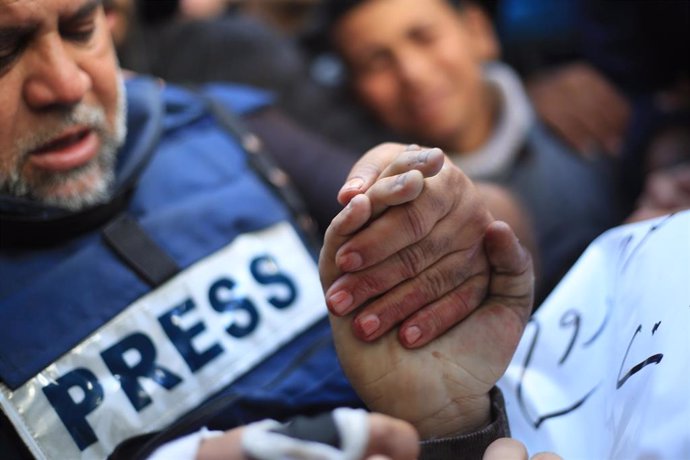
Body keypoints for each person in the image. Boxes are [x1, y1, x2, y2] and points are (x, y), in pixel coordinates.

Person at [0, 0, 533, 458]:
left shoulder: (219, 122)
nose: (67, 84)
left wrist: (446, 212)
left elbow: (505, 221)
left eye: (80, 28)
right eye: (4, 49)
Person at [323, 0, 624, 302]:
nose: (412, 73)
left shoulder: (583, 102)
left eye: (424, 37)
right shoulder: (393, 218)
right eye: (375, 62)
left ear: (477, 30)